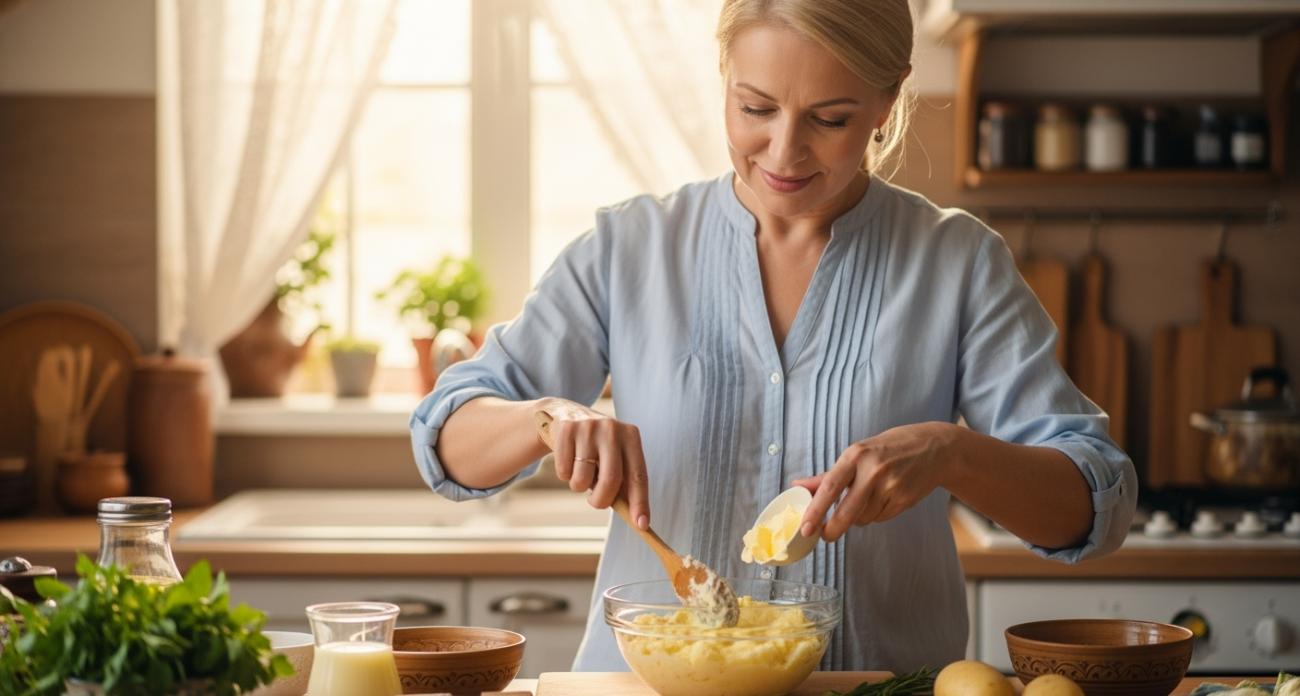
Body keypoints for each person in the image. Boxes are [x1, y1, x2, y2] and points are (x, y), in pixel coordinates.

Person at [410, 0, 1136, 674]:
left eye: (831, 118)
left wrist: (953, 453)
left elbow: (1095, 506)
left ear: (889, 100)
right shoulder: (628, 248)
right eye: (755, 107)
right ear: (724, 77)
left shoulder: (957, 263)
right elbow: (446, 438)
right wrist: (551, 419)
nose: (784, 152)